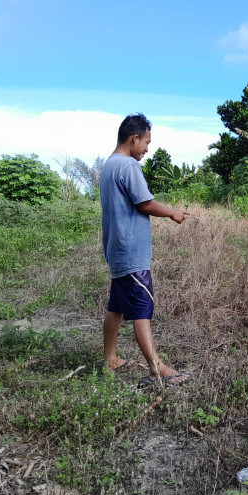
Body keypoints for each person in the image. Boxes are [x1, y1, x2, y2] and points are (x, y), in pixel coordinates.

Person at [99, 112, 189, 385]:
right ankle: (157, 369)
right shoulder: (128, 166)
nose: (147, 150)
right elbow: (144, 202)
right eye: (146, 143)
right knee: (141, 310)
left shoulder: (108, 165)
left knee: (116, 307)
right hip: (131, 252)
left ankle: (110, 359)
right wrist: (173, 213)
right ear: (134, 138)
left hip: (116, 250)